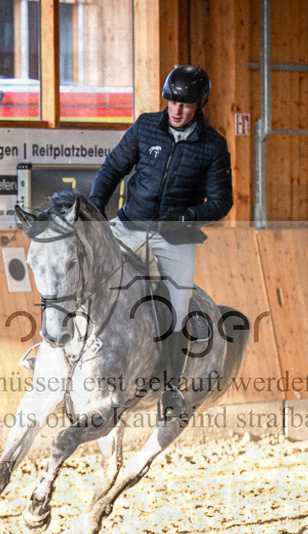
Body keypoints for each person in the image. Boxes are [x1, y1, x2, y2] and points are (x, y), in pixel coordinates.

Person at [89, 64, 233, 420]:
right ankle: (53, 353)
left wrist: (188, 216)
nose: (177, 110)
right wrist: (94, 208)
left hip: (175, 239)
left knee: (177, 311)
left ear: (200, 105)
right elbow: (112, 169)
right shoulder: (145, 126)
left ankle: (169, 387)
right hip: (128, 226)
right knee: (85, 273)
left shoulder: (213, 146)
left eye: (185, 105)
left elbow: (221, 201)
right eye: (172, 102)